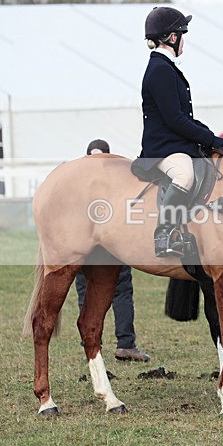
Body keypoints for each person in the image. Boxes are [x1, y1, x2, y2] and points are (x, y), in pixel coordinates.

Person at [136, 6, 223, 257]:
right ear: (173, 38)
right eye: (182, 35)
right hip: (162, 148)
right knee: (184, 175)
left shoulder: (166, 67)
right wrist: (210, 139)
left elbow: (185, 118)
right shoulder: (160, 70)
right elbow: (175, 120)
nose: (183, 41)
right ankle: (164, 233)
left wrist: (214, 137)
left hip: (175, 143)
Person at [76, 138, 150, 362]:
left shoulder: (76, 182)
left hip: (84, 245)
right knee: (122, 292)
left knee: (85, 293)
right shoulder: (117, 181)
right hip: (112, 244)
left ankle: (88, 340)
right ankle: (126, 343)